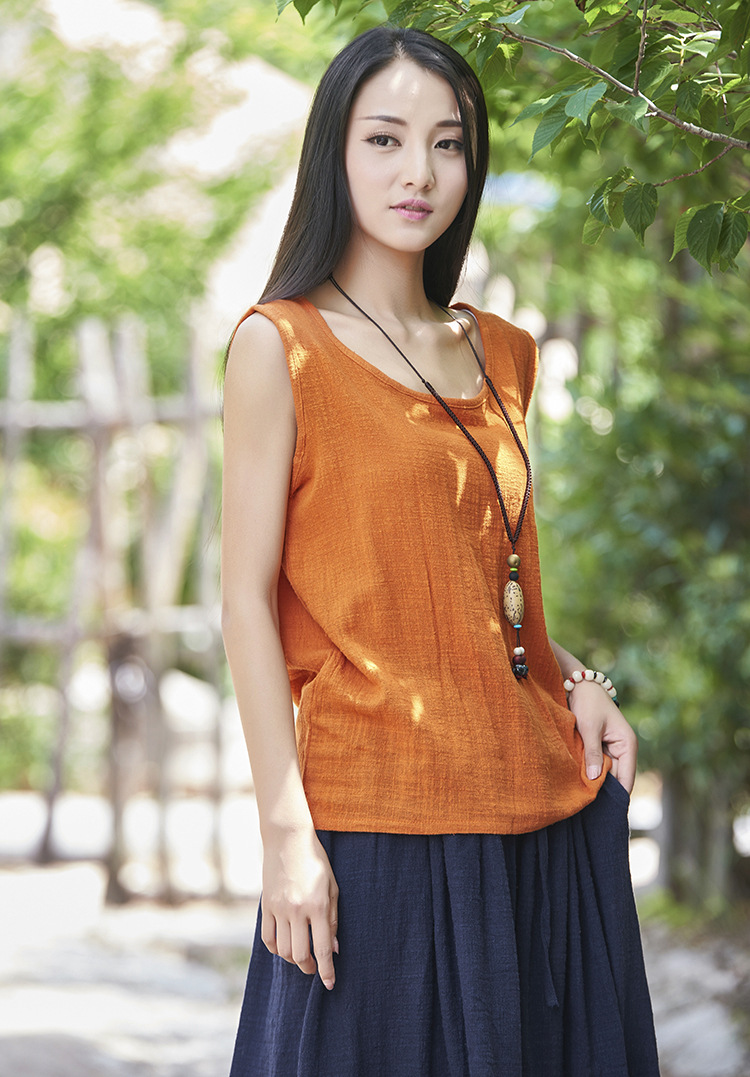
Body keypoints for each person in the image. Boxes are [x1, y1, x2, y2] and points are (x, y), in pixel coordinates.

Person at [221, 24, 660, 1077]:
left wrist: (580, 681)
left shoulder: (501, 352)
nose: (418, 171)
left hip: (543, 815)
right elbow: (243, 599)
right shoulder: (280, 347)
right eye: (385, 139)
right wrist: (286, 836)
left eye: (447, 143)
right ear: (334, 153)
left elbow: (478, 590)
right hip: (380, 823)